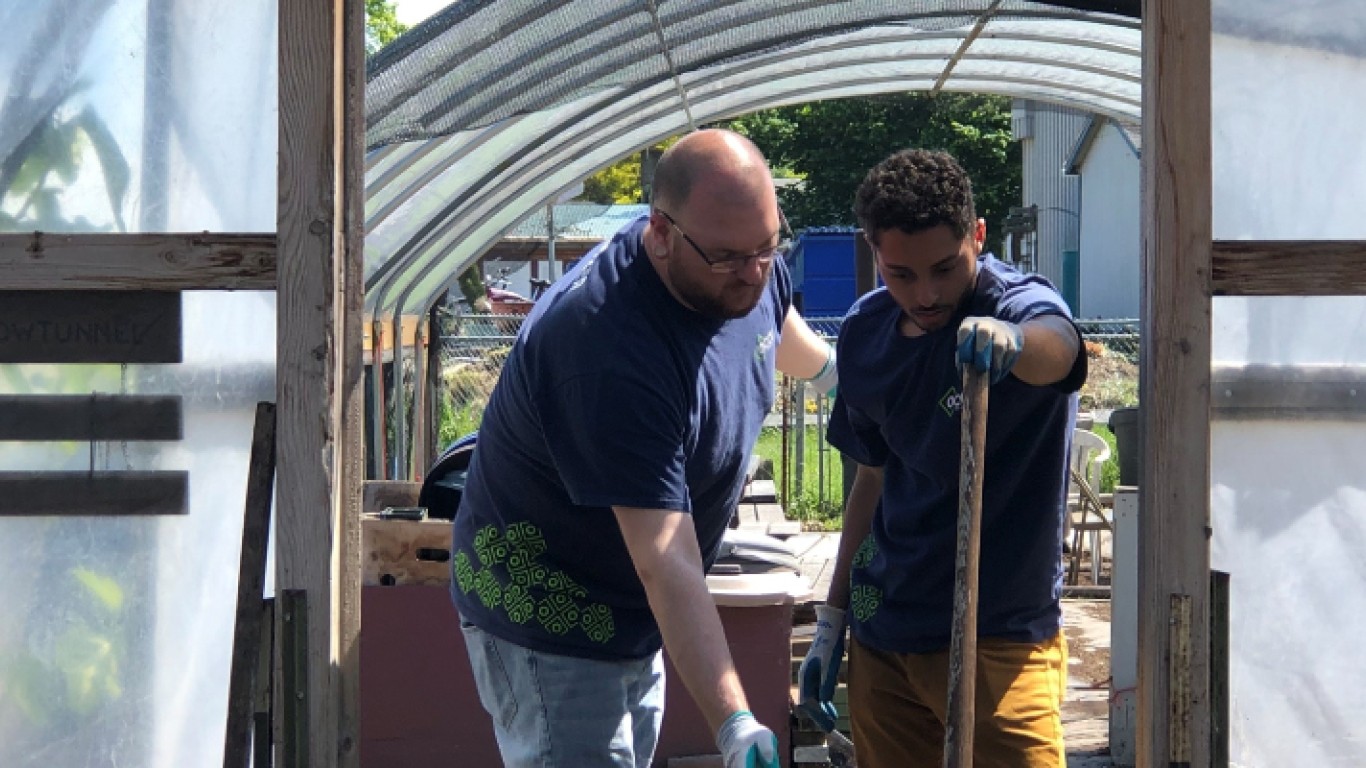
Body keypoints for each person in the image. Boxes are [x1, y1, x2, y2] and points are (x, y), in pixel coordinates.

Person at [449, 129, 838, 768]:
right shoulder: (605, 348)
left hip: (632, 612)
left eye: (768, 248)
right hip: (553, 619)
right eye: (729, 258)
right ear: (660, 232)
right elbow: (667, 562)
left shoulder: (737, 256)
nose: (753, 273)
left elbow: (772, 320)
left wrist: (834, 375)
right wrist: (735, 722)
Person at [798, 149, 1087, 768]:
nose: (925, 294)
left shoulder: (1015, 304)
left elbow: (1059, 347)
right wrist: (833, 619)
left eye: (944, 268)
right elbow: (870, 482)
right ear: (873, 251)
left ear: (976, 236)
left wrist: (1016, 344)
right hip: (885, 636)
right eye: (900, 273)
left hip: (997, 635)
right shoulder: (866, 333)